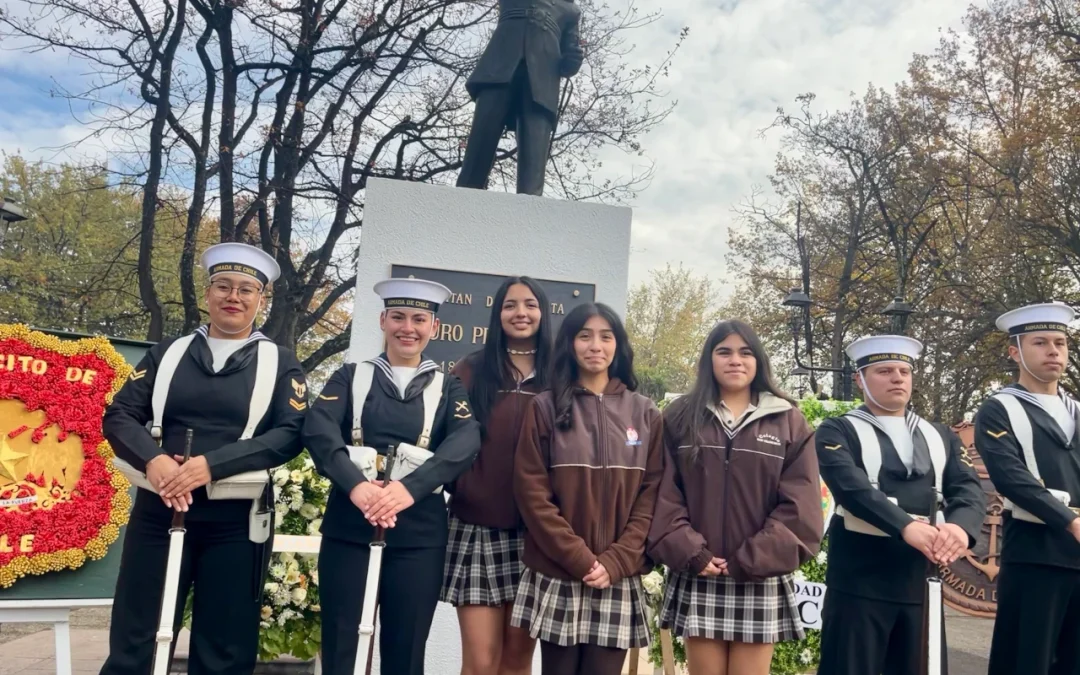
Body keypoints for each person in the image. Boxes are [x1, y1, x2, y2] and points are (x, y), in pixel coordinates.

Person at [101, 242, 308, 675]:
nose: (234, 297)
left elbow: (290, 434)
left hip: (237, 521)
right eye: (223, 286)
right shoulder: (168, 353)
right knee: (137, 638)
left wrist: (212, 465)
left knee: (224, 648)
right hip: (159, 510)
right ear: (208, 292)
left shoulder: (280, 363)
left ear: (261, 299)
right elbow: (120, 415)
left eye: (246, 289)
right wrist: (154, 460)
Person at [303, 277, 482, 675]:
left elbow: (466, 440)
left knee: (406, 652)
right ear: (383, 321)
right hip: (350, 527)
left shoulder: (449, 387)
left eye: (419, 319)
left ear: (434, 327)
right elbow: (318, 429)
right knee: (342, 648)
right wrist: (357, 486)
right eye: (398, 316)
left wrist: (408, 490)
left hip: (417, 536)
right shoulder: (349, 377)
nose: (408, 328)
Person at [647, 320, 823, 675]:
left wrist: (751, 559)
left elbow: (801, 508)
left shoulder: (788, 421)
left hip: (758, 574)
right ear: (708, 360)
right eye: (723, 351)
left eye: (745, 352)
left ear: (758, 361)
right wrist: (692, 552)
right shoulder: (680, 417)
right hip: (700, 571)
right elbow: (661, 493)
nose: (735, 360)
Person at [815, 335, 985, 675]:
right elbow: (852, 488)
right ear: (859, 379)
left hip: (920, 581)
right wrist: (907, 526)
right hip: (859, 582)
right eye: (884, 371)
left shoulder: (941, 436)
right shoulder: (837, 431)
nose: (897, 378)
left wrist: (960, 528)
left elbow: (968, 488)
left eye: (904, 371)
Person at [511, 302, 663, 675]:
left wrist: (617, 560)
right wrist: (580, 558)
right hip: (560, 570)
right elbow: (532, 494)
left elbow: (652, 495)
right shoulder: (545, 407)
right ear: (570, 344)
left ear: (618, 345)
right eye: (585, 336)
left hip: (617, 573)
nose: (595, 346)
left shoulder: (645, 413)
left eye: (606, 337)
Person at [441, 277, 553, 675]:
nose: (520, 313)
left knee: (517, 662)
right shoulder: (471, 369)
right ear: (497, 314)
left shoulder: (560, 374)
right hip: (477, 529)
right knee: (480, 663)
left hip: (538, 534)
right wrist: (466, 486)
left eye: (530, 304)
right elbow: (446, 439)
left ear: (543, 312)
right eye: (510, 305)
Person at [976, 302, 1080, 675]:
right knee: (1026, 662)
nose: (1054, 351)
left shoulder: (1077, 410)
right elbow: (1010, 476)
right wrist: (1070, 521)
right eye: (1040, 342)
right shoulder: (999, 409)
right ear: (1015, 352)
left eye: (1060, 343)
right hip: (1036, 555)